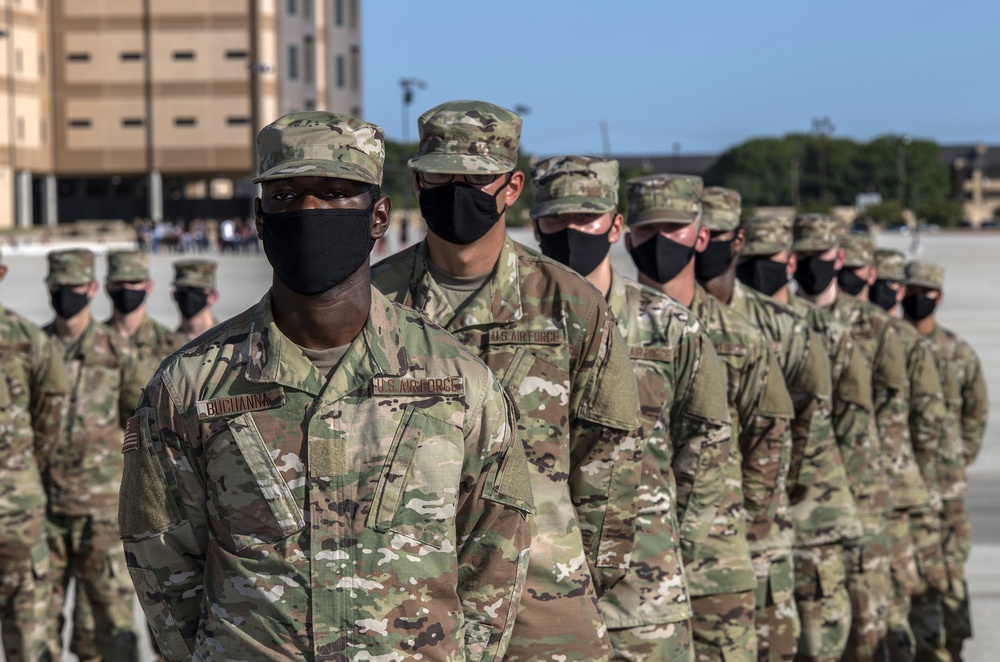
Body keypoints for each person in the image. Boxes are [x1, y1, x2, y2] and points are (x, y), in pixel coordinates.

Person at [120, 110, 536, 661]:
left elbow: (496, 552)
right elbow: (162, 557)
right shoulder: (190, 386)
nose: (311, 212)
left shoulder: (460, 381)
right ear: (261, 219)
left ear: (379, 216)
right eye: (287, 198)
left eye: (337, 193)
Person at [372, 101, 642, 662]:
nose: (457, 190)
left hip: (544, 602)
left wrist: (585, 573)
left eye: (476, 178)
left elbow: (608, 463)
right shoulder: (372, 301)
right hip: (404, 602)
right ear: (417, 180)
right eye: (441, 175)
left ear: (513, 185)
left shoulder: (571, 304)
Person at [531, 155, 733, 661]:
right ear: (535, 227)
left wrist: (668, 542)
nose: (572, 231)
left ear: (616, 226)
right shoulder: (517, 327)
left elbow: (706, 453)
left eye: (587, 218)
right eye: (557, 219)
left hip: (646, 598)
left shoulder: (669, 326)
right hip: (538, 600)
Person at [621, 174, 794, 662]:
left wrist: (741, 524)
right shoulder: (603, 325)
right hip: (633, 569)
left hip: (718, 561)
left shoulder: (741, 336)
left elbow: (771, 438)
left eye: (674, 226)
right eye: (648, 228)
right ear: (627, 235)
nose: (659, 241)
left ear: (700, 235)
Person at [740, 214, 874, 661]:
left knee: (821, 646)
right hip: (751, 524)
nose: (760, 268)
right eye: (750, 258)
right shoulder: (729, 328)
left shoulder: (822, 332)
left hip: (815, 515)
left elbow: (853, 423)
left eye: (770, 258)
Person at [791, 215, 903, 660]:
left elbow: (893, 410)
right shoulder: (781, 320)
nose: (809, 266)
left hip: (864, 495)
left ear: (837, 258)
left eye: (817, 257)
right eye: (800, 257)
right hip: (802, 507)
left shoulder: (875, 327)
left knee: (869, 630)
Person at [841, 239, 949, 660]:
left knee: (894, 602)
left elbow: (932, 419)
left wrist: (913, 471)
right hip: (852, 493)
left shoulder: (896, 337)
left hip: (898, 494)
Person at [42, 249, 142, 661]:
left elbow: (139, 428)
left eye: (75, 288)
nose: (67, 295)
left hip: (100, 512)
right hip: (44, 512)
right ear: (48, 290)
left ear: (92, 289)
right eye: (59, 288)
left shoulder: (118, 351)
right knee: (37, 626)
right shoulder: (36, 348)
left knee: (111, 624)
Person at [902, 260, 988, 662]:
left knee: (950, 568)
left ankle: (950, 644)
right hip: (904, 480)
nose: (919, 298)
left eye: (927, 292)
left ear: (940, 297)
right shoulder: (891, 343)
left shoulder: (957, 353)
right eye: (912, 290)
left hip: (946, 484)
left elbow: (976, 412)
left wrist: (958, 460)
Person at [0, 248, 68, 662]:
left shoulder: (31, 342)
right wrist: (23, 468)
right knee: (28, 634)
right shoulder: (30, 338)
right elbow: (50, 420)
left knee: (29, 629)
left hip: (17, 520)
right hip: (19, 505)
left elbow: (50, 416)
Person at [105, 250, 186, 382]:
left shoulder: (172, 345)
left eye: (134, 282)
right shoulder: (95, 341)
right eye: (118, 283)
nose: (126, 287)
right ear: (107, 287)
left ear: (149, 286)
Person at [171, 258, 220, 341]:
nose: (189, 295)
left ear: (213, 297)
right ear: (174, 296)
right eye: (183, 289)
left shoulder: (229, 343)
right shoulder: (165, 346)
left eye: (197, 290)